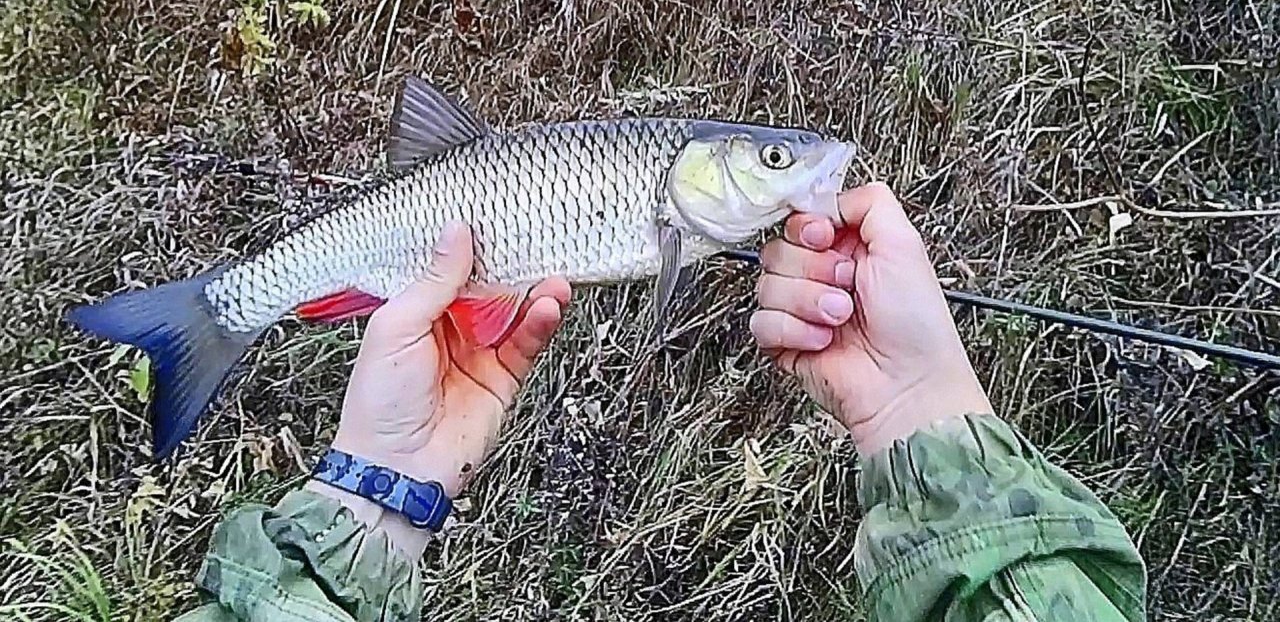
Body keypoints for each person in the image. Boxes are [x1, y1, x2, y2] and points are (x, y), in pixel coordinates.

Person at [175, 183, 1146, 622]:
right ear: (698, 169)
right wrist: (925, 401)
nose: (793, 174)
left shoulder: (683, 217)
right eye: (765, 164)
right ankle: (220, 312)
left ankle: (226, 310)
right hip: (413, 241)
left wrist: (372, 494)